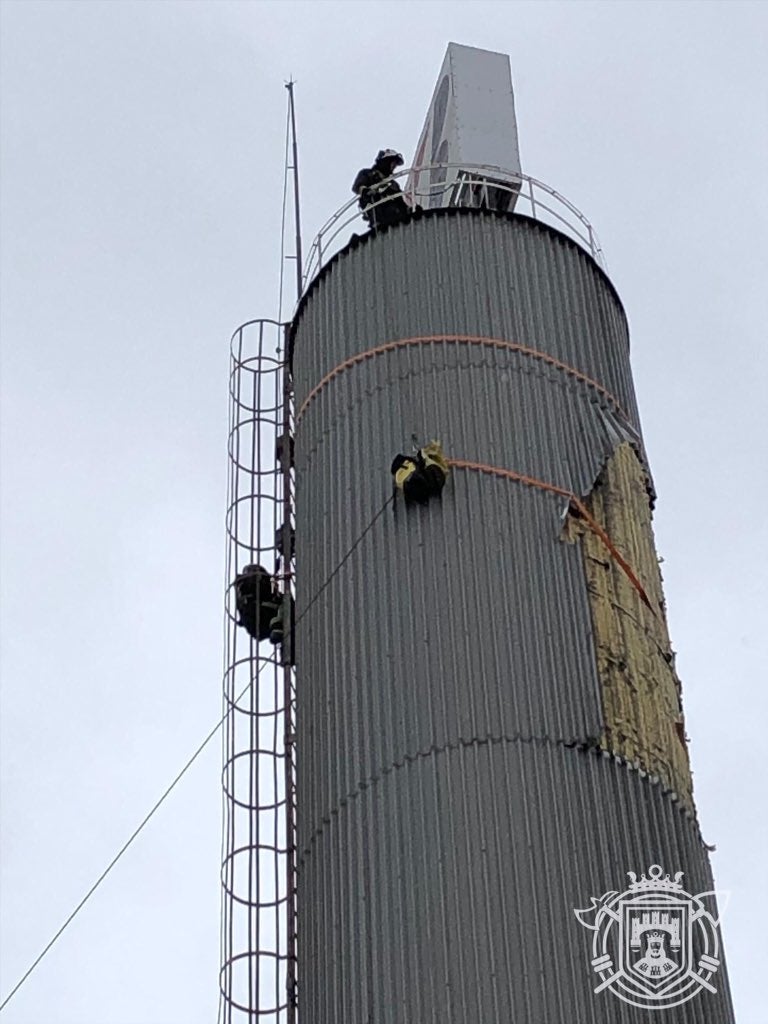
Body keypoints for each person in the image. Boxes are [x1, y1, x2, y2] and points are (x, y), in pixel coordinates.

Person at [352, 149, 411, 230]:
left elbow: (400, 201)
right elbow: (357, 187)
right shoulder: (367, 174)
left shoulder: (393, 184)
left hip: (395, 217)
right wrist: (365, 191)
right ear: (386, 161)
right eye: (393, 163)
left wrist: (410, 210)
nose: (394, 166)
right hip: (377, 213)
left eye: (395, 164)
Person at [234, 564, 281, 642]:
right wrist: (273, 580)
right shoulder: (254, 583)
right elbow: (271, 592)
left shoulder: (242, 589)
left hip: (255, 626)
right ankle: (277, 627)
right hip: (261, 617)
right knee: (284, 604)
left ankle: (277, 629)